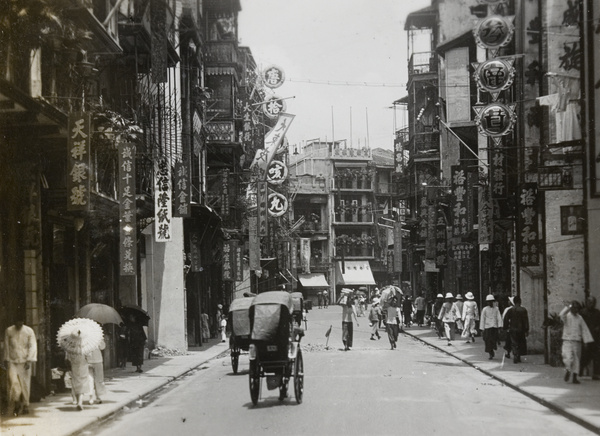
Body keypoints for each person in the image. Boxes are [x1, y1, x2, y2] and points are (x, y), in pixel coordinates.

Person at [4, 320, 37, 416]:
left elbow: (32, 346)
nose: (19, 324)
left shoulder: (29, 331)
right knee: (14, 383)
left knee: (25, 384)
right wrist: (6, 359)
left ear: (23, 321)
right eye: (18, 322)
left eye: (21, 322)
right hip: (12, 361)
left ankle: (26, 404)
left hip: (24, 361)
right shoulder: (9, 330)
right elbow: (6, 346)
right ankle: (17, 402)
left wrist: (29, 360)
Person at [560, 300, 594, 384]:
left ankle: (574, 377)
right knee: (567, 358)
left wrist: (586, 341)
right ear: (571, 308)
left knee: (576, 360)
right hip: (567, 341)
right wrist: (568, 307)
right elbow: (561, 314)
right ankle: (568, 370)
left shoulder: (580, 318)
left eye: (577, 308)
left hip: (577, 341)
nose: (576, 310)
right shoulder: (567, 316)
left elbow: (584, 329)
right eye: (574, 308)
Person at [65, 331, 91, 411]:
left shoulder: (70, 346)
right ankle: (80, 402)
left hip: (74, 365)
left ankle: (77, 401)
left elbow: (67, 358)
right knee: (83, 382)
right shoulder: (85, 345)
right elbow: (89, 356)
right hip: (83, 365)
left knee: (75, 382)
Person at [504, 295, 529, 363]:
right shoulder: (523, 310)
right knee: (520, 342)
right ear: (520, 302)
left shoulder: (510, 310)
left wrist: (505, 327)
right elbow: (526, 321)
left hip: (513, 329)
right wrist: (526, 330)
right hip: (521, 329)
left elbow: (506, 319)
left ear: (514, 302)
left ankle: (515, 354)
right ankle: (518, 356)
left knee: (514, 342)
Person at [581, 296, 600, 379]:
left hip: (595, 337)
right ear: (586, 302)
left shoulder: (597, 312)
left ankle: (596, 374)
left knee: (597, 356)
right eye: (589, 302)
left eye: (592, 302)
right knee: (585, 355)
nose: (590, 304)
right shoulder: (582, 312)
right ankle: (580, 370)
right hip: (585, 337)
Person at [480, 294, 503, 359]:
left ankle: (492, 350)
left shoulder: (496, 309)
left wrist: (500, 326)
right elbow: (482, 319)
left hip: (494, 327)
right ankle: (490, 352)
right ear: (487, 302)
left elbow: (499, 317)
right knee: (487, 341)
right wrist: (482, 328)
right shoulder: (485, 309)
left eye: (491, 301)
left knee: (493, 340)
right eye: (489, 301)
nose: (490, 303)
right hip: (487, 327)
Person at [86, 338, 106, 404]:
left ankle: (91, 397)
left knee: (90, 379)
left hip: (88, 360)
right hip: (98, 360)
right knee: (98, 379)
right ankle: (98, 397)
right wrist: (101, 340)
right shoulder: (97, 337)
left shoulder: (84, 338)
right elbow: (103, 347)